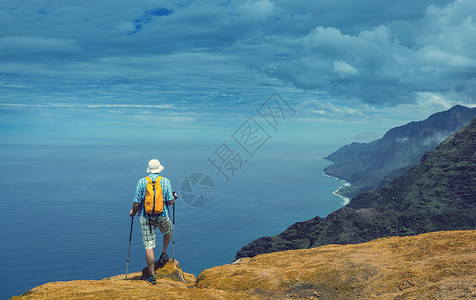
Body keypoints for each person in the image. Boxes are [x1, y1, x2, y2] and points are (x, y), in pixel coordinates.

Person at [129, 159, 177, 285]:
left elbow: (137, 202)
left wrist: (133, 212)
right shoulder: (166, 181)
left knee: (149, 246)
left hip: (146, 217)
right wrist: (175, 197)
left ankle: (152, 276)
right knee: (168, 231)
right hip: (162, 215)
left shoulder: (142, 182)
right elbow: (170, 201)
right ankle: (163, 254)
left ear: (149, 170)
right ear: (159, 169)